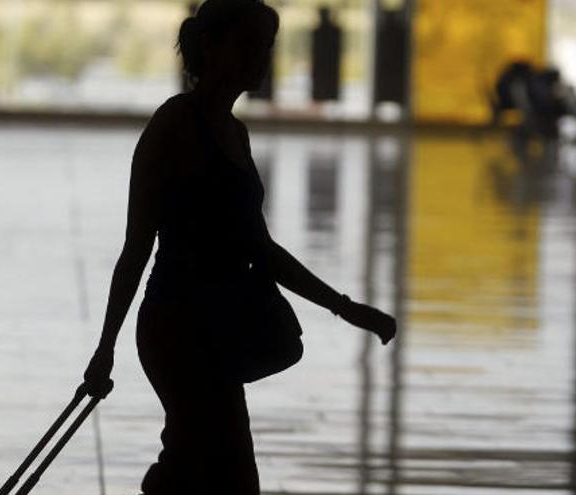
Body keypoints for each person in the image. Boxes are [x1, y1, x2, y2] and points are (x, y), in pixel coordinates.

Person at [82, 1, 397, 494]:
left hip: (217, 329)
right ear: (211, 45)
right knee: (217, 469)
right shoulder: (174, 126)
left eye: (266, 48)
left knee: (204, 468)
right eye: (249, 44)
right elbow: (137, 247)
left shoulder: (236, 133)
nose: (261, 58)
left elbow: (260, 248)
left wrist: (345, 308)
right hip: (178, 330)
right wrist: (105, 349)